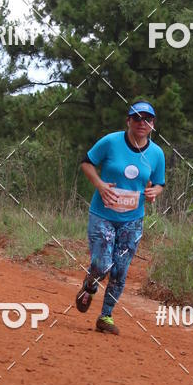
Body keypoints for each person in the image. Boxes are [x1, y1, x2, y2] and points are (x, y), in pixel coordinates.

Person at [75, 101, 165, 336]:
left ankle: (105, 316)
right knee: (103, 263)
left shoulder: (156, 153)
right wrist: (100, 184)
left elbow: (159, 183)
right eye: (137, 118)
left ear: (153, 124)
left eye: (147, 119)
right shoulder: (110, 142)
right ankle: (90, 285)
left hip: (133, 221)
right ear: (128, 120)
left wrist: (155, 191)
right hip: (102, 215)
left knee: (120, 270)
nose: (142, 123)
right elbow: (86, 162)